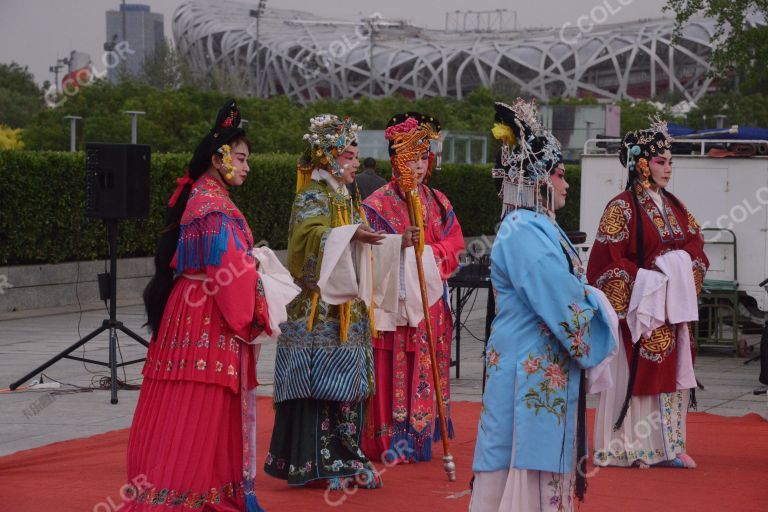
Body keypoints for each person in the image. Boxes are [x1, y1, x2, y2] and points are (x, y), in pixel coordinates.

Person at [470, 100, 618, 512]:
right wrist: (598, 307)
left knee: (533, 457)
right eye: (559, 174)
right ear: (537, 178)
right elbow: (558, 295)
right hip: (526, 367)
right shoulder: (524, 231)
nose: (566, 184)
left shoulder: (540, 226)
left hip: (535, 363)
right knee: (521, 456)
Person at [126, 100, 269, 511]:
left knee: (180, 402)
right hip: (209, 315)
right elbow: (230, 274)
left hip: (186, 309)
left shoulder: (201, 198)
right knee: (200, 404)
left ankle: (175, 486)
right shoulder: (216, 208)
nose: (245, 166)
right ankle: (187, 490)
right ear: (218, 157)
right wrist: (260, 297)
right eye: (239, 158)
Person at [264, 114, 386, 490]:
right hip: (319, 307)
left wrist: (395, 243)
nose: (353, 162)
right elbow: (307, 239)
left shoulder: (349, 196)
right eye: (348, 155)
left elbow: (361, 239)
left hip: (349, 307)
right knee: (319, 385)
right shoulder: (312, 195)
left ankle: (348, 454)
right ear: (328, 158)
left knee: (347, 387)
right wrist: (350, 234)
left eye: (354, 155)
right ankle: (318, 461)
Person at [587, 119, 709, 469]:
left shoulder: (674, 205)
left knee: (671, 377)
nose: (668, 168)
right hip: (641, 311)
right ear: (641, 163)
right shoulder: (621, 207)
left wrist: (680, 268)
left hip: (670, 310)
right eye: (661, 161)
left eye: (670, 161)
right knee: (638, 374)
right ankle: (629, 447)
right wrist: (648, 280)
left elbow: (696, 243)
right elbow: (606, 264)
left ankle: (667, 447)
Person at [361, 112, 464, 462]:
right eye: (410, 158)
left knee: (423, 367)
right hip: (395, 306)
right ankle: (389, 439)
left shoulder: (439, 201)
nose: (418, 166)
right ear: (394, 160)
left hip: (430, 307)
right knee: (393, 367)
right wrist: (401, 245)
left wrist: (431, 253)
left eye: (424, 157)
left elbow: (455, 244)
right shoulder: (376, 205)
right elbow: (366, 257)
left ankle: (418, 437)